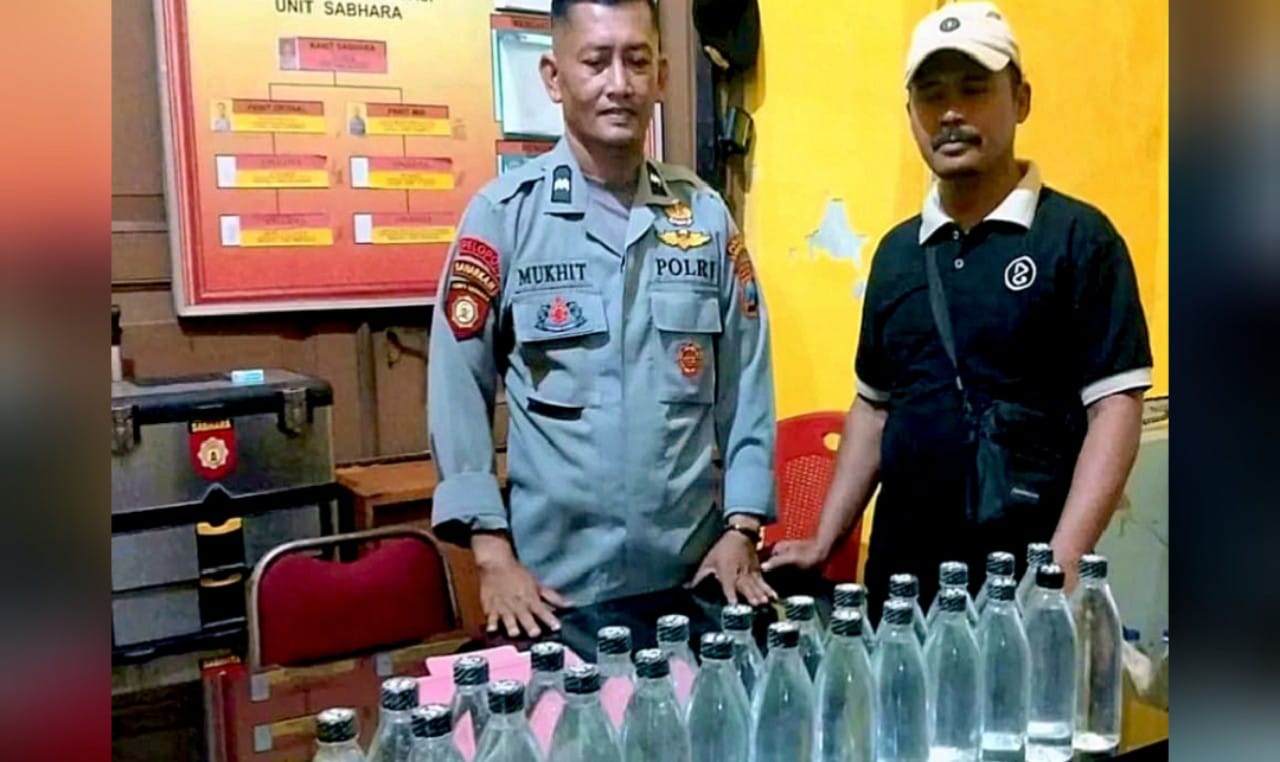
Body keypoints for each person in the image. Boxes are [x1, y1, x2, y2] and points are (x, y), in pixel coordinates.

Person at [763, 2, 1152, 616]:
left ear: (1021, 100)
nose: (950, 113)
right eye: (932, 95)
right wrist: (823, 538)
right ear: (910, 113)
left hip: (1025, 595)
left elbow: (1115, 408)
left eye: (974, 89)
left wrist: (1062, 568)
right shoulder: (898, 254)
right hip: (900, 596)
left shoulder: (1078, 239)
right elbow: (873, 409)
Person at [427, 0, 777, 641]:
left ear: (661, 77)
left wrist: (743, 527)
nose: (619, 84)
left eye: (637, 62)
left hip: (691, 583)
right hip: (555, 598)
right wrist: (492, 554)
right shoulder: (504, 218)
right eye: (596, 62)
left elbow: (747, 384)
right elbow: (457, 390)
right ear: (553, 77)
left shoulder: (704, 219)